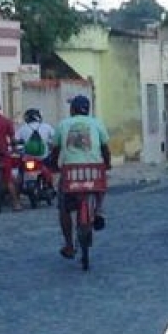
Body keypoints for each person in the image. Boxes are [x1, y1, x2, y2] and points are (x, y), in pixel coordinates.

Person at [51, 94, 111, 260]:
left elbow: (55, 149)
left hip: (71, 174)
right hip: (94, 170)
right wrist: (107, 164)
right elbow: (105, 148)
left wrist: (54, 164)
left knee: (64, 209)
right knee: (101, 186)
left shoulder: (63, 124)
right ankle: (98, 209)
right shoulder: (97, 123)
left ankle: (69, 244)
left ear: (72, 110)